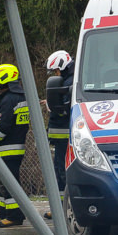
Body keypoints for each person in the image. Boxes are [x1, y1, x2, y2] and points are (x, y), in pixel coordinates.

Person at [0, 63, 29, 228]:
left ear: (5, 79)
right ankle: (4, 214)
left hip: (7, 149)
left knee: (10, 183)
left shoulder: (8, 99)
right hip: (13, 148)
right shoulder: (18, 97)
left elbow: (3, 128)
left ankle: (14, 216)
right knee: (6, 182)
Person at [43, 50, 74, 220]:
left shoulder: (68, 83)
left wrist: (51, 105)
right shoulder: (67, 80)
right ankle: (62, 207)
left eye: (55, 71)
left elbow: (62, 108)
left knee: (62, 172)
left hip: (65, 138)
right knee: (61, 172)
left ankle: (62, 209)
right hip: (63, 138)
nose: (55, 74)